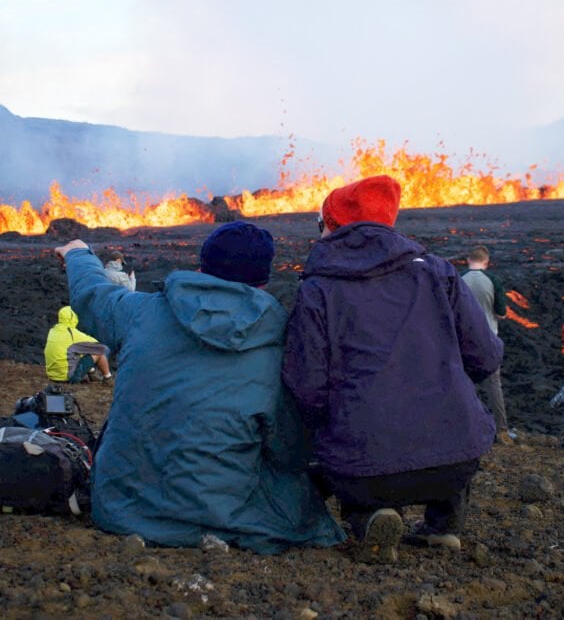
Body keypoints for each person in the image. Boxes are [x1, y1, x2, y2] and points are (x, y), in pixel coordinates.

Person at [53, 223, 345, 554]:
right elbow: (288, 451)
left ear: (201, 266)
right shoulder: (279, 343)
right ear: (263, 280)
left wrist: (78, 253)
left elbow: (92, 295)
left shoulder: (139, 312)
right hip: (221, 515)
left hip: (123, 509)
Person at [282, 175, 504, 564]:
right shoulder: (438, 272)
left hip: (365, 463)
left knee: (351, 453)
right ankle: (445, 524)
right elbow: (485, 357)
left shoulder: (318, 289)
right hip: (455, 458)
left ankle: (370, 517)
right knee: (452, 429)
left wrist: (325, 431)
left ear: (331, 226)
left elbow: (307, 387)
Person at [460, 245, 514, 445]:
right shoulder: (493, 280)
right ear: (486, 262)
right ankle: (501, 431)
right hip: (488, 339)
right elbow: (501, 313)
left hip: (463, 339)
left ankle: (465, 427)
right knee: (493, 384)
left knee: (462, 382)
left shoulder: (458, 279)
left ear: (468, 259)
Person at [44, 306, 113, 385]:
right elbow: (101, 348)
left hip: (52, 375)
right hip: (67, 377)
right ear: (73, 317)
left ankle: (92, 373)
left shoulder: (53, 330)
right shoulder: (73, 335)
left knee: (77, 350)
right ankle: (108, 378)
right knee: (98, 352)